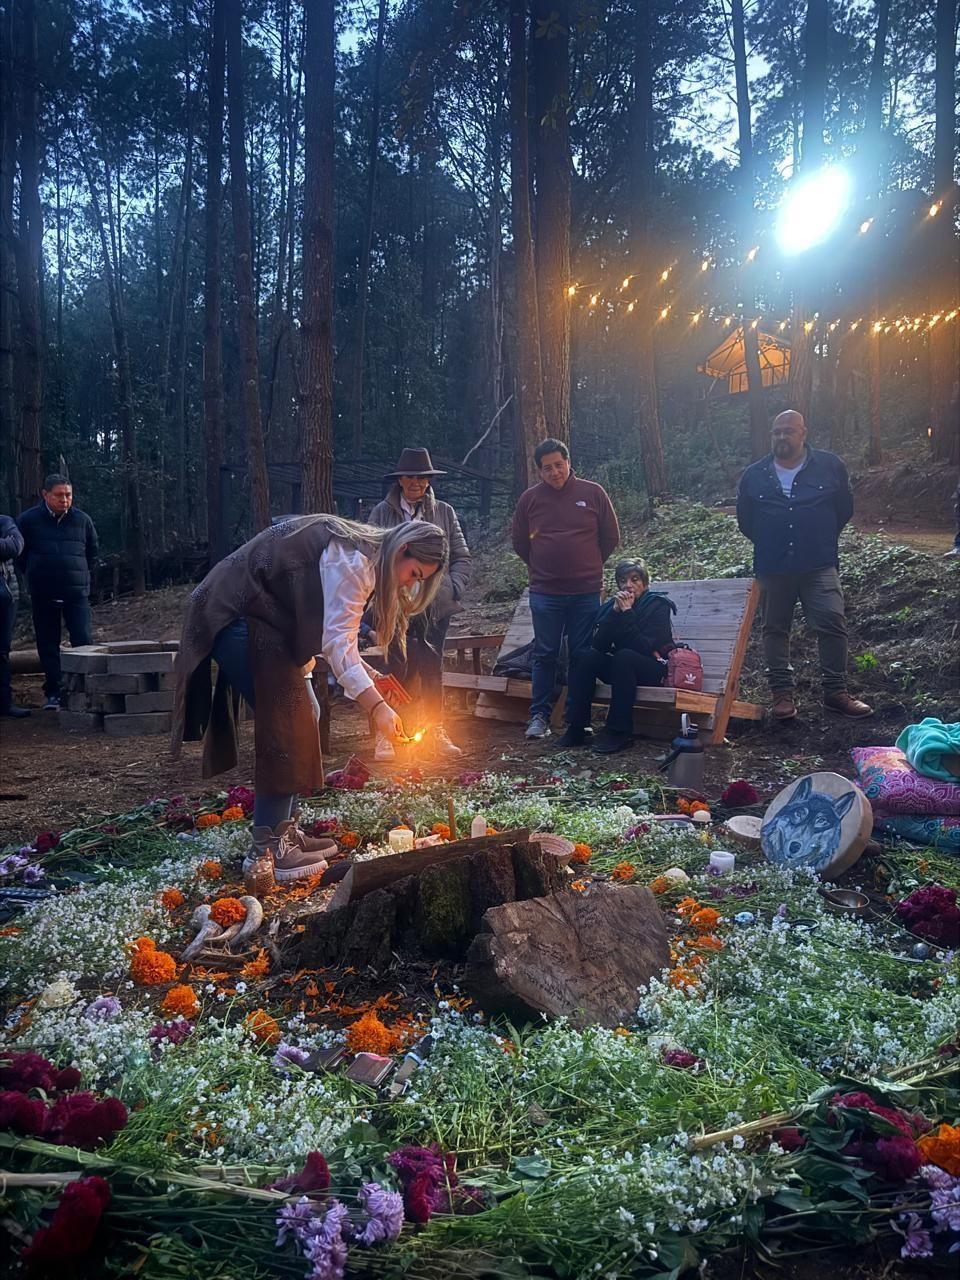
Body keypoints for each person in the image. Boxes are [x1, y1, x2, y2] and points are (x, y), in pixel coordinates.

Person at [171, 514, 448, 881]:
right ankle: (267, 849)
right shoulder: (355, 562)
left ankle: (284, 831)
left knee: (307, 712)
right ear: (402, 549)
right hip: (236, 616)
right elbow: (337, 645)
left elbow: (336, 637)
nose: (409, 585)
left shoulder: (365, 557)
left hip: (264, 620)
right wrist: (377, 708)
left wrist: (370, 677)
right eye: (414, 574)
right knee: (288, 722)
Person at [736, 410, 872, 721]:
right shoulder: (754, 475)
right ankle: (782, 695)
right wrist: (774, 540)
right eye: (777, 432)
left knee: (832, 622)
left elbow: (843, 510)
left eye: (789, 431)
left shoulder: (830, 466)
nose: (782, 437)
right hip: (773, 566)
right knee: (774, 628)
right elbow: (747, 521)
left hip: (818, 563)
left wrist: (817, 536)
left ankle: (836, 692)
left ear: (803, 433)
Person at [512, 437, 620, 739]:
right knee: (545, 653)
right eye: (547, 468)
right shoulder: (530, 500)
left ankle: (577, 718)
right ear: (539, 471)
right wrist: (543, 568)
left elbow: (610, 537)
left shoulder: (593, 493)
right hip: (545, 592)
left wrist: (588, 565)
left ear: (568, 463)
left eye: (559, 465)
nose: (554, 472)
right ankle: (539, 716)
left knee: (580, 654)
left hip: (586, 591)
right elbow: (520, 542)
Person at [367, 447, 471, 762]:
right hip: (395, 604)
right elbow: (370, 555)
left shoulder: (445, 512)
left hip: (435, 605)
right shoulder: (382, 513)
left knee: (432, 667)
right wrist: (381, 596)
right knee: (393, 666)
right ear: (400, 479)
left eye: (423, 477)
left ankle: (435, 729)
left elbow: (461, 555)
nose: (417, 483)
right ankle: (385, 733)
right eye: (411, 477)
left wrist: (452, 588)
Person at [557, 559, 675, 754]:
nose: (628, 585)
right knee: (583, 655)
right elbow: (599, 646)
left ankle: (618, 731)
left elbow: (644, 647)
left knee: (624, 656)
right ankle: (577, 727)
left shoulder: (658, 605)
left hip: (653, 668)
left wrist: (628, 613)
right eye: (623, 580)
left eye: (634, 579)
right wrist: (614, 614)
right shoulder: (612, 607)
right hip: (623, 669)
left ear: (644, 583)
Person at [17, 475, 98, 710]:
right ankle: (54, 692)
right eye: (59, 495)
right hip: (43, 593)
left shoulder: (82, 520)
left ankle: (86, 690)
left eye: (68, 495)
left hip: (76, 593)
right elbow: (20, 556)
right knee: (48, 644)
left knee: (83, 640)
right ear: (45, 495)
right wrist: (34, 575)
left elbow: (93, 552)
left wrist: (82, 578)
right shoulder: (28, 521)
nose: (65, 500)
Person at [1, 515, 30, 717]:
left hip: (5, 598)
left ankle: (4, 703)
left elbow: (15, 546)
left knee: (2, 652)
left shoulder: (4, 521)